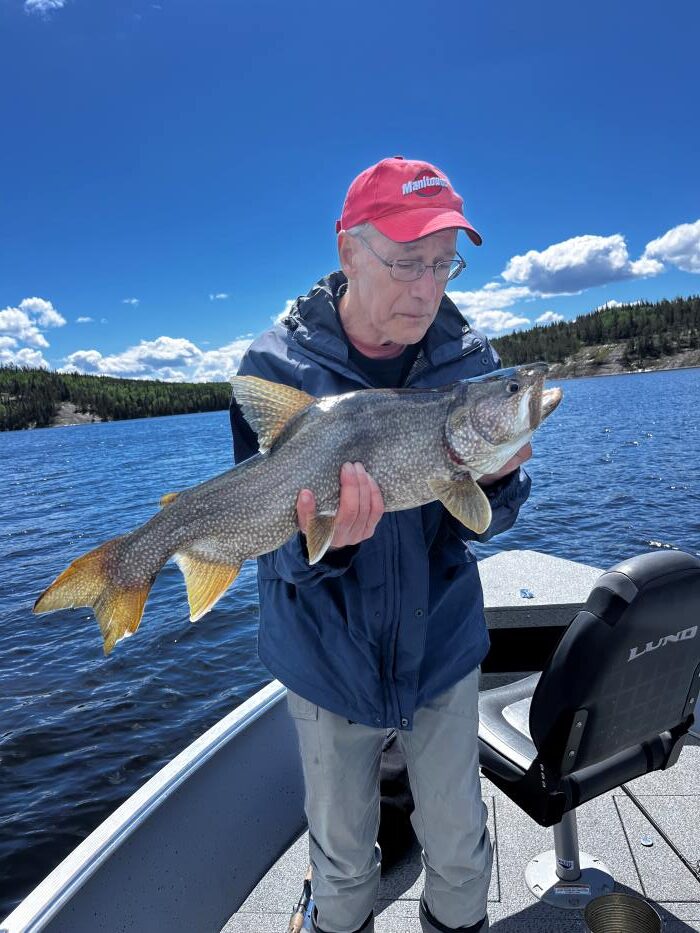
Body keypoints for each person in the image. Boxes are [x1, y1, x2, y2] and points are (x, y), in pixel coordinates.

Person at [229, 157, 532, 933]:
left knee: (462, 851)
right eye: (405, 263)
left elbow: (491, 519)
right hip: (325, 656)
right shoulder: (273, 371)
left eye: (442, 263)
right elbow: (274, 549)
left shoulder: (470, 359)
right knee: (341, 862)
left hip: (439, 644)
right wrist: (326, 543)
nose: (427, 288)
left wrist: (497, 481)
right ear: (348, 253)